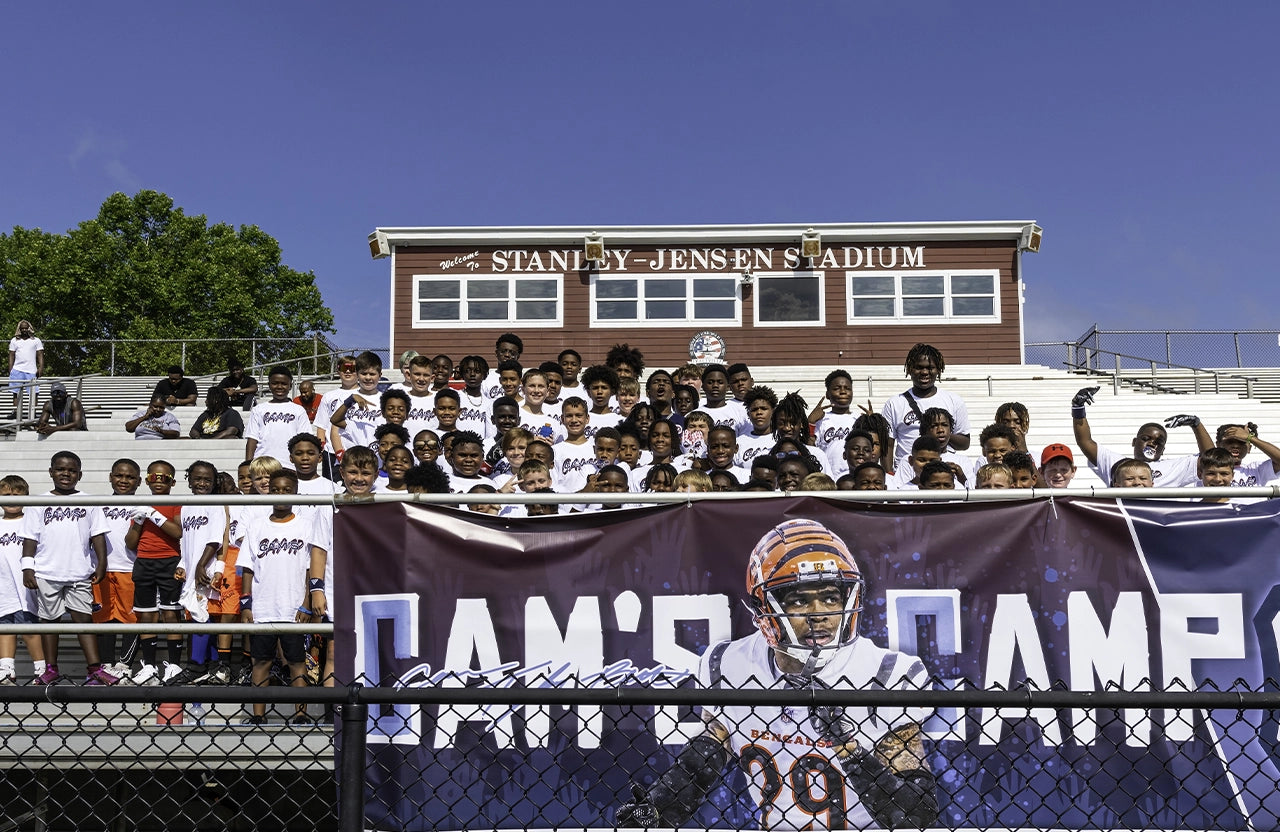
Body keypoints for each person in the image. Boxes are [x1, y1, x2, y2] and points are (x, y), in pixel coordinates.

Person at [617, 519, 936, 830]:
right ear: (764, 608)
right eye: (799, 600)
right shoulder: (728, 664)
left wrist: (845, 745)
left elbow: (916, 816)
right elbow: (700, 767)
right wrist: (659, 807)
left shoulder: (887, 672)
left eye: (830, 597)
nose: (820, 615)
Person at [20, 452, 118, 685]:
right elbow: (30, 539)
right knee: (49, 621)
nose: (66, 474)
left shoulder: (89, 501)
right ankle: (50, 668)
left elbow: (98, 535)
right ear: (51, 471)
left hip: (79, 571)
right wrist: (27, 567)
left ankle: (94, 668)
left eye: (72, 470)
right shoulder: (38, 502)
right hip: (47, 571)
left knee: (83, 619)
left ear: (80, 474)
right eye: (61, 469)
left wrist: (102, 563)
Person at [239, 469, 325, 724]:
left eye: (286, 489)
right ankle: (258, 716)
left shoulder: (307, 525)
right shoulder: (256, 525)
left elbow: (312, 568)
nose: (280, 494)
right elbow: (247, 567)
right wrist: (246, 604)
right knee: (261, 662)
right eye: (275, 489)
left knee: (297, 662)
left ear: (295, 492)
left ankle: (300, 714)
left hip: (293, 608)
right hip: (264, 607)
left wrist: (307, 603)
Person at [1071, 386, 1213, 486]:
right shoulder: (1116, 462)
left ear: (1163, 449)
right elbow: (1085, 441)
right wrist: (1078, 407)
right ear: (1134, 442)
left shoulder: (1173, 467)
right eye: (1146, 439)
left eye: (1159, 442)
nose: (1152, 443)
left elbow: (1211, 459)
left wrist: (1196, 424)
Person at [124, 460, 186, 685]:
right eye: (154, 477)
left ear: (173, 481)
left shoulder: (176, 503)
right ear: (147, 479)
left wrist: (154, 514)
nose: (159, 481)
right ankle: (149, 665)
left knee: (171, 613)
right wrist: (140, 520)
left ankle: (175, 665)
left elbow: (177, 532)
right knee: (146, 614)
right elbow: (130, 543)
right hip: (144, 562)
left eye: (165, 478)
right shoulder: (141, 504)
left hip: (169, 561)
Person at [881, 343, 970, 473]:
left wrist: (942, 434)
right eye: (919, 367)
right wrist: (889, 475)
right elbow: (887, 445)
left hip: (942, 472)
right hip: (906, 472)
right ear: (910, 369)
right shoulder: (894, 403)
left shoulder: (954, 400)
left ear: (938, 370)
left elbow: (965, 443)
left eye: (930, 368)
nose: (924, 372)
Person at [94, 460, 143, 680]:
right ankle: (105, 664)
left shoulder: (141, 505)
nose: (124, 481)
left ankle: (124, 665)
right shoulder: (98, 504)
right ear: (110, 477)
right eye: (119, 476)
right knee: (103, 618)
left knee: (130, 620)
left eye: (130, 477)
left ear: (139, 481)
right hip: (102, 570)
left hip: (129, 570)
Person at [0, 475, 45, 685]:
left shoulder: (31, 521)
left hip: (25, 584)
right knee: (5, 628)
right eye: (6, 495)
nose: (11, 499)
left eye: (17, 495)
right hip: (4, 585)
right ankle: (7, 669)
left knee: (28, 628)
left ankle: (41, 670)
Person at [245, 366, 312, 466]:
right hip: (263, 464)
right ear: (269, 385)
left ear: (290, 386)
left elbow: (305, 439)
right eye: (275, 383)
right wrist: (248, 464)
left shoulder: (298, 410)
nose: (279, 387)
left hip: (290, 465)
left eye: (284, 384)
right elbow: (252, 439)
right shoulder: (259, 409)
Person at [8, 320, 44, 416]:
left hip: (31, 370)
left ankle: (33, 412)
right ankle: (15, 412)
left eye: (26, 328)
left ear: (29, 328)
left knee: (34, 393)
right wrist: (11, 369)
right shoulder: (14, 340)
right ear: (19, 329)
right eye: (22, 328)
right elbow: (11, 355)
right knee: (15, 392)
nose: (24, 330)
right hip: (17, 370)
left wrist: (41, 367)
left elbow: (40, 354)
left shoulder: (36, 340)